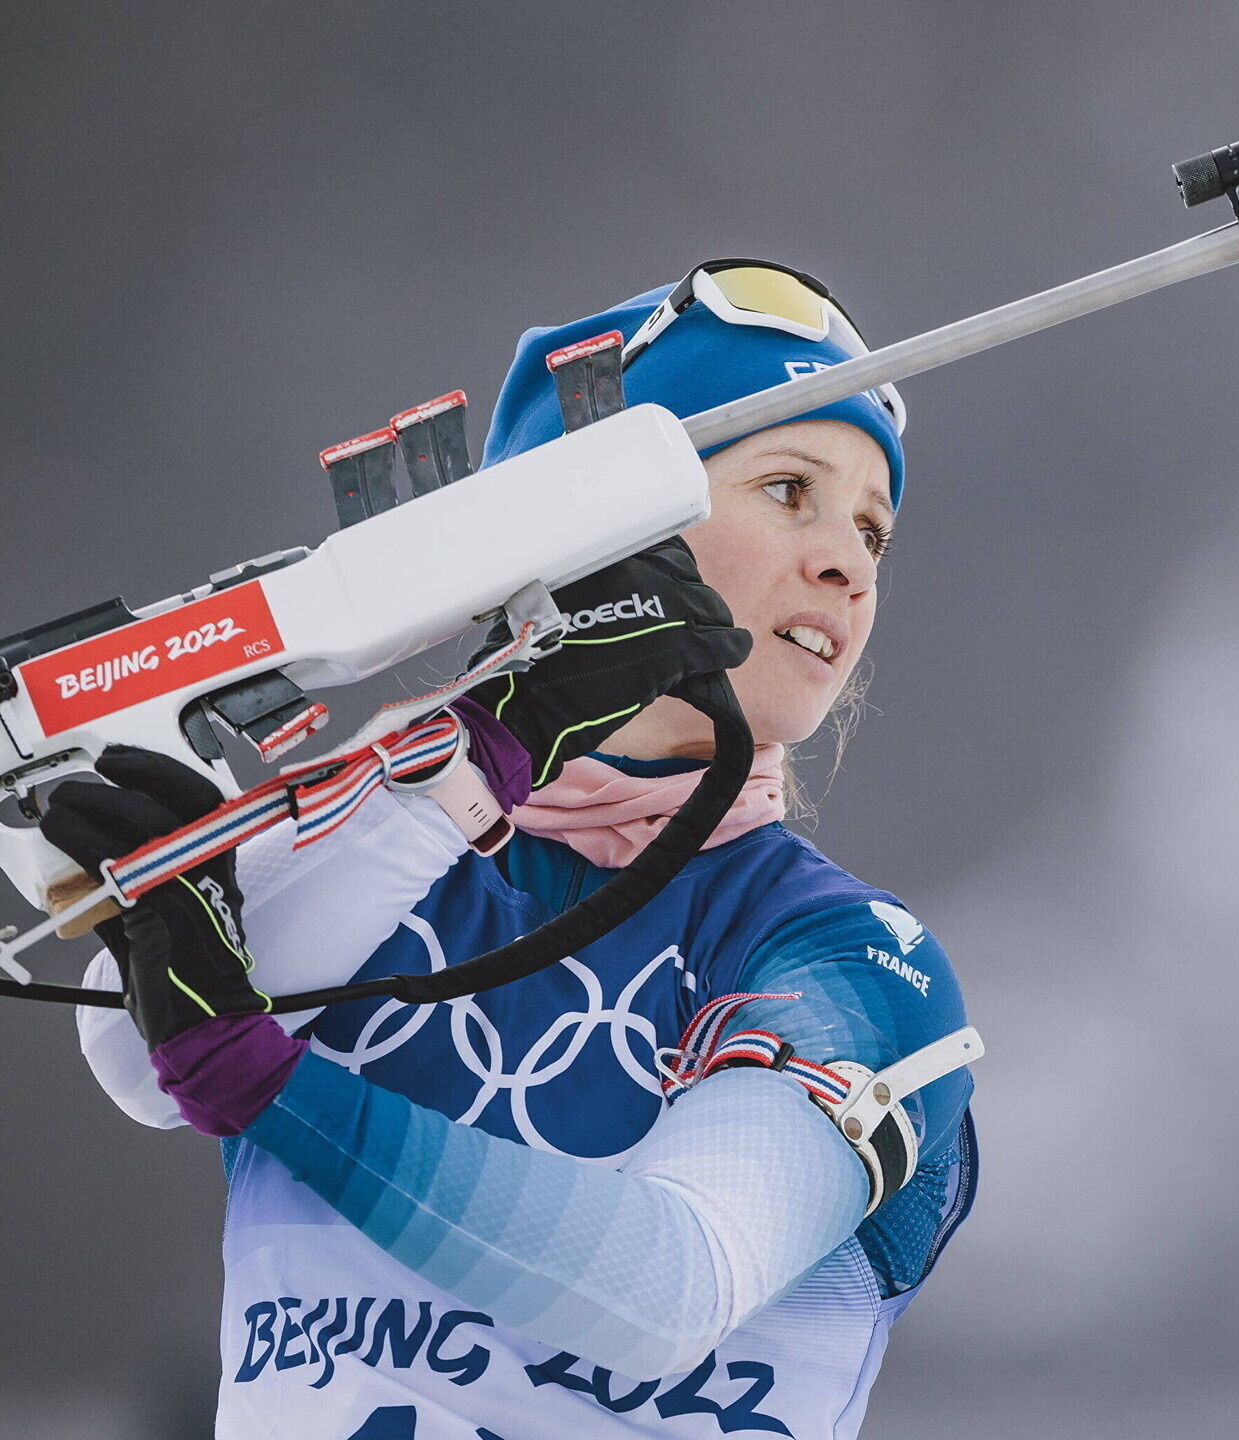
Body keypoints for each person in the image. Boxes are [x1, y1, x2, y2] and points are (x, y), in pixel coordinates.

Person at [51, 262, 979, 1439]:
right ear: (594, 523)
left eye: (873, 529)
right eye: (788, 489)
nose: (850, 562)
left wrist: (270, 1091)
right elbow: (138, 1060)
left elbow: (666, 1288)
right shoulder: (384, 836)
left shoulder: (846, 952)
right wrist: (488, 745)